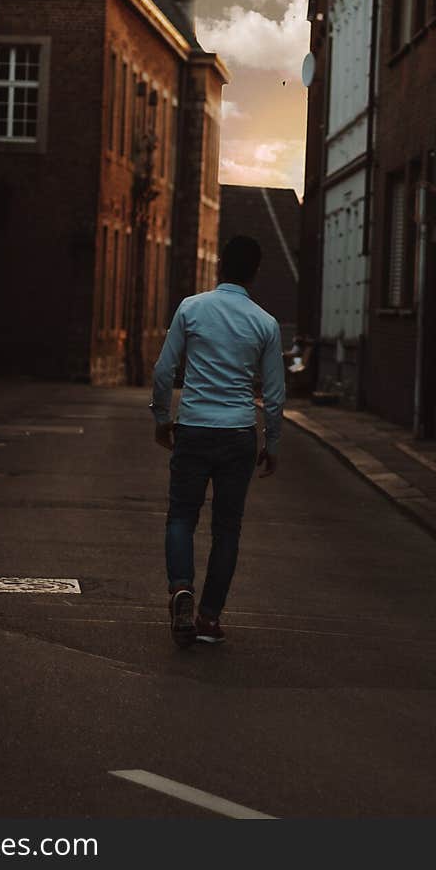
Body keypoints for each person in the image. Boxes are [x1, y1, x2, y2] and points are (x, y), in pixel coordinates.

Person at [150, 234, 285, 648]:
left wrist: (162, 418)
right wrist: (272, 443)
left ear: (221, 264)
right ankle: (209, 617)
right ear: (256, 272)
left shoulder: (192, 309)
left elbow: (163, 371)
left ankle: (180, 588)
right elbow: (275, 396)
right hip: (238, 434)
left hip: (193, 427)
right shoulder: (265, 323)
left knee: (181, 517)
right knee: (227, 529)